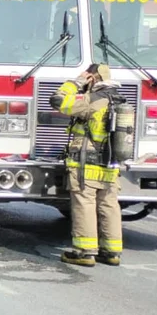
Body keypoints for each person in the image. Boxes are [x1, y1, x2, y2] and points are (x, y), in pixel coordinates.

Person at [51, 63, 124, 267]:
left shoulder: (91, 100)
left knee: (85, 203)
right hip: (110, 163)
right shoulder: (119, 101)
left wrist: (76, 82)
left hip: (86, 163)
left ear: (93, 79)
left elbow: (57, 100)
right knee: (109, 203)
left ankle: (85, 252)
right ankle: (111, 252)